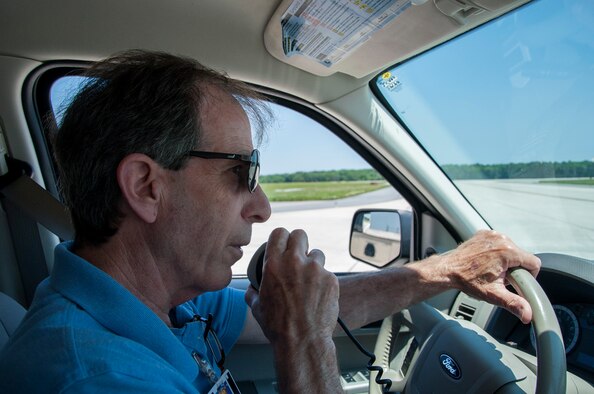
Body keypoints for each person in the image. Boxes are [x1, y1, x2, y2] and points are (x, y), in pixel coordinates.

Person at [0, 50, 540, 393]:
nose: (262, 207)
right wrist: (304, 342)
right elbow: (298, 323)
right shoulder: (97, 379)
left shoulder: (168, 301)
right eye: (241, 172)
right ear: (146, 186)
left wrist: (445, 270)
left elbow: (305, 308)